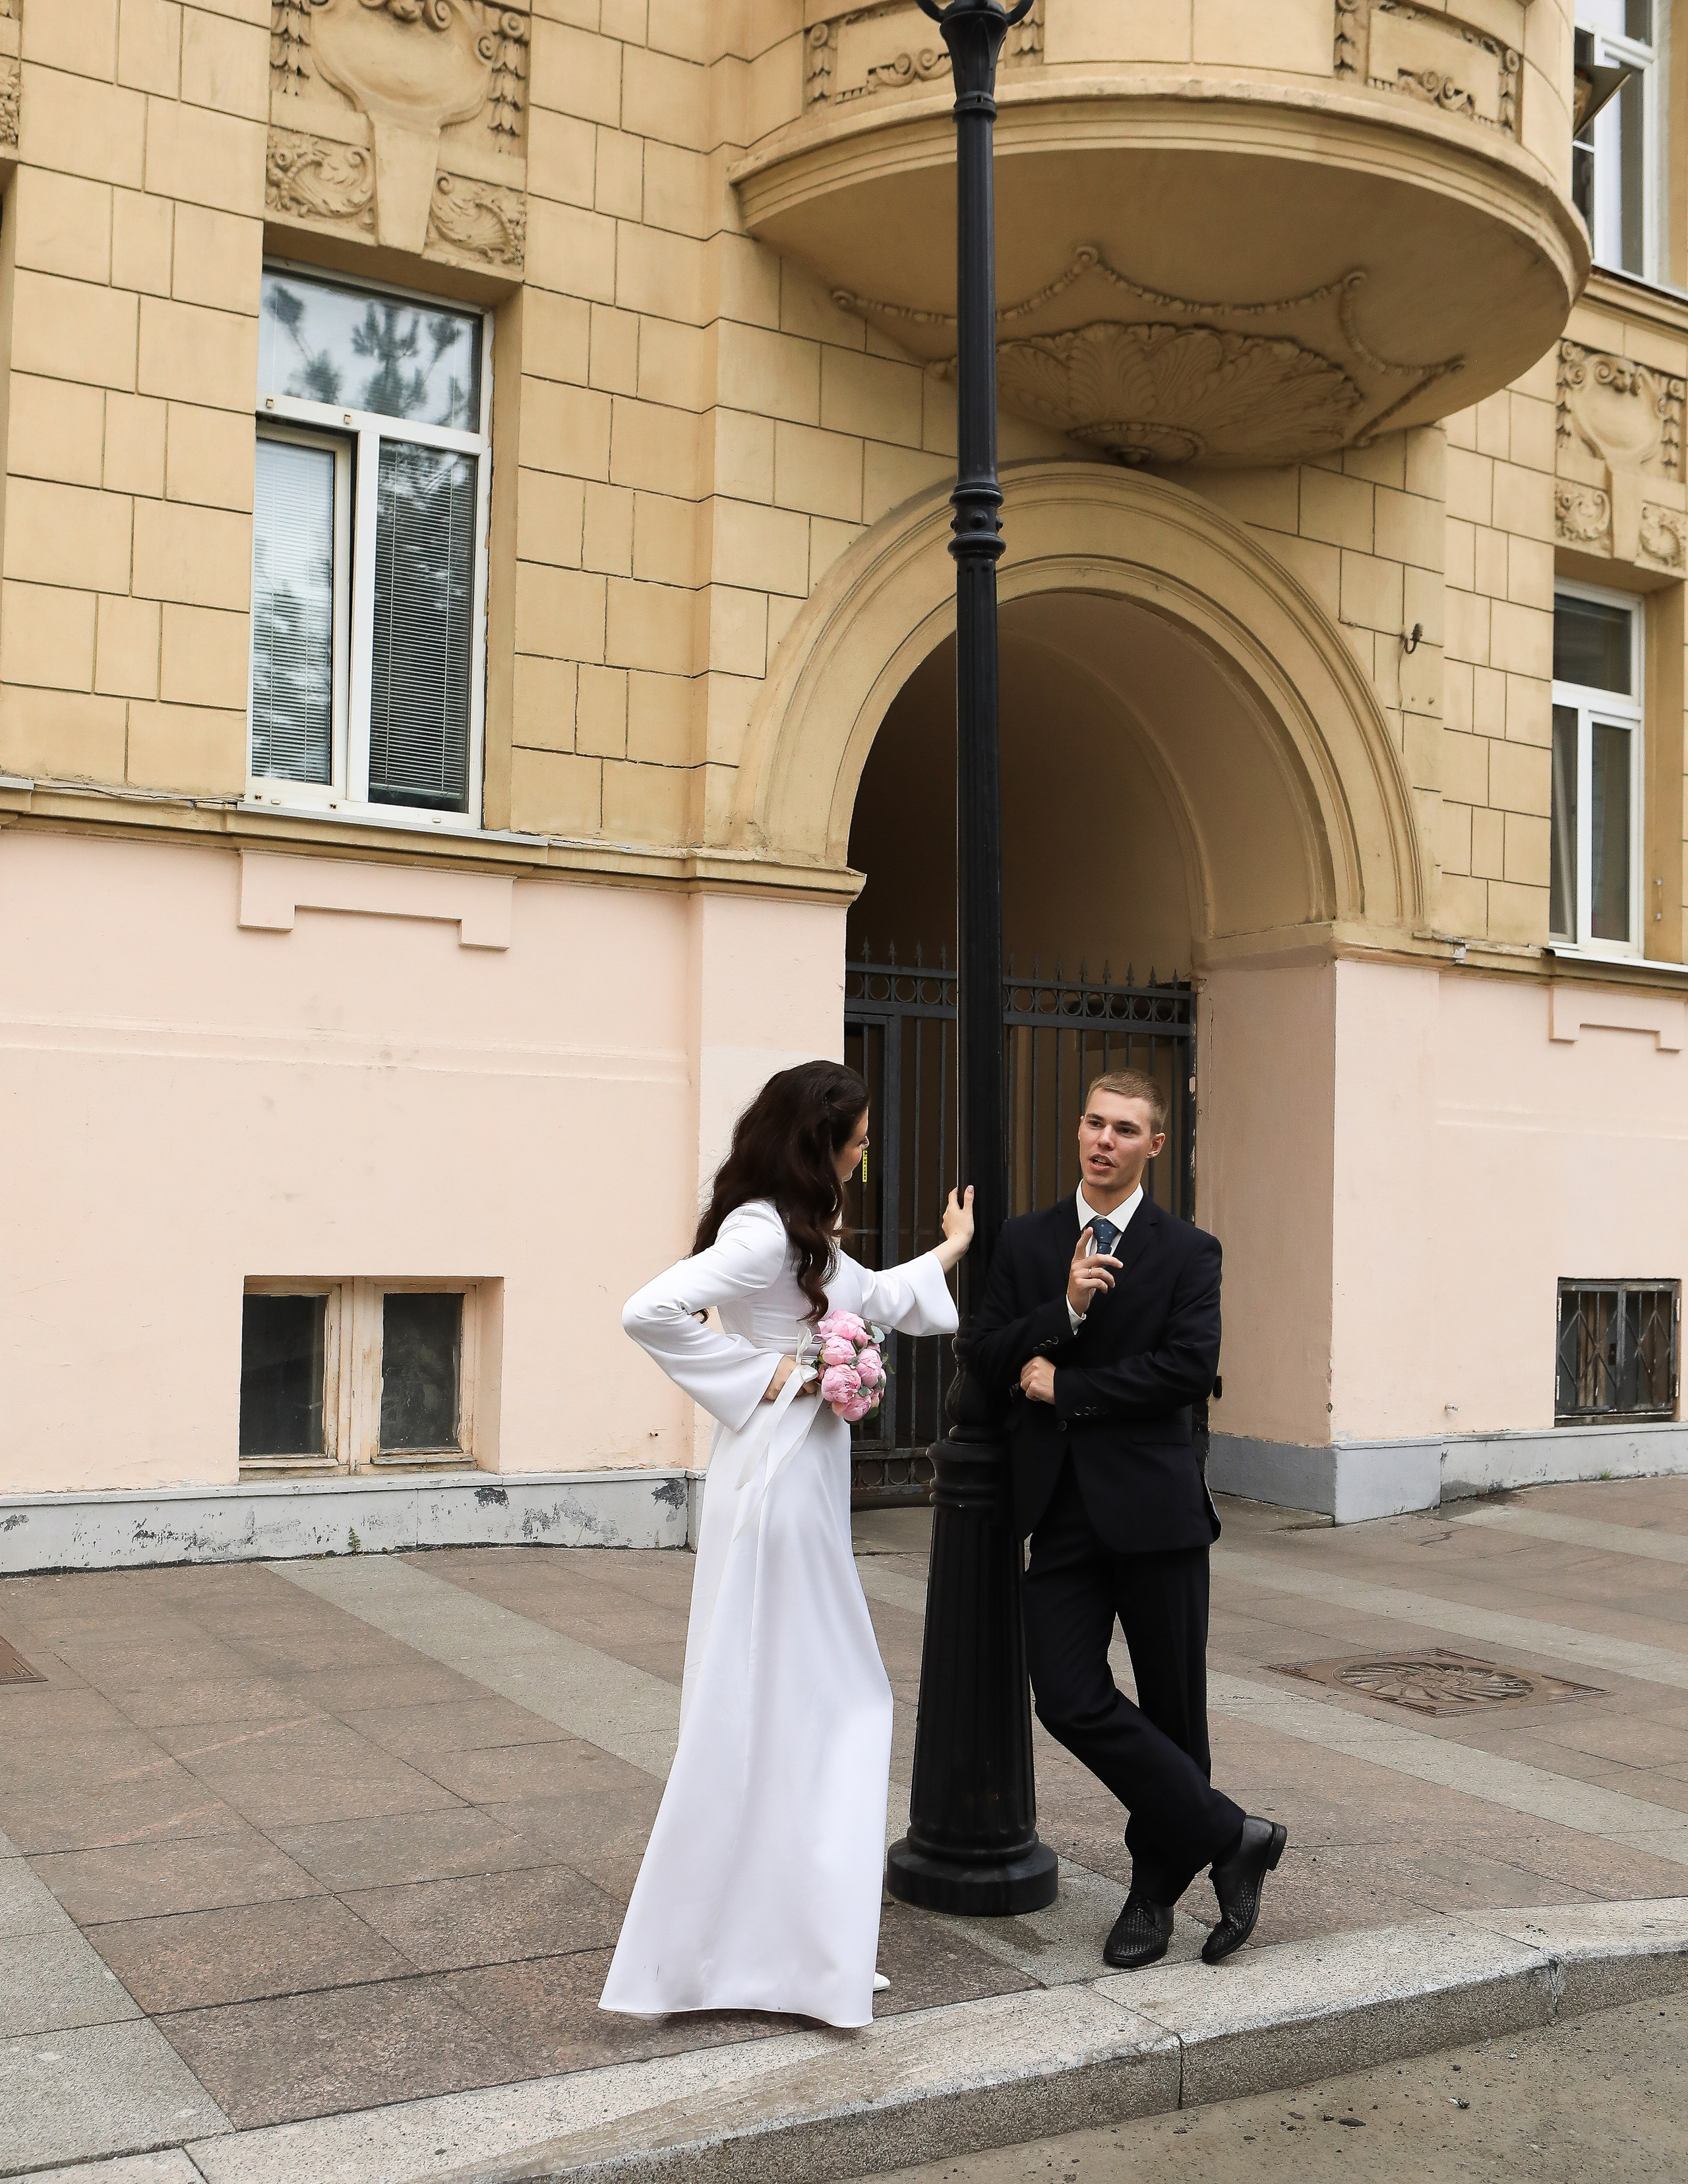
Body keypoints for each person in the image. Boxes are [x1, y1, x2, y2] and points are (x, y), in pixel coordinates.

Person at [600, 1059, 973, 2030]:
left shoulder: (805, 1232)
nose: (864, 1146)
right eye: (855, 1132)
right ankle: (775, 1940)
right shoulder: (764, 1230)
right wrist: (771, 1375)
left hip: (798, 1477)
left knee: (801, 1696)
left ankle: (802, 1940)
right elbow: (649, 1308)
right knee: (819, 1691)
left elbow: (879, 1297)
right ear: (820, 1137)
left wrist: (950, 1249)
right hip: (772, 1478)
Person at [971, 1069, 1286, 1970]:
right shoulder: (1029, 1240)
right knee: (1066, 1695)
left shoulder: (1190, 1251)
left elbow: (1187, 1369)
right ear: (1079, 1131)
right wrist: (1062, 1311)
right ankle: (1236, 1836)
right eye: (1093, 1122)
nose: (1103, 1139)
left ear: (1155, 1144)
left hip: (1157, 1516)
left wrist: (1069, 1385)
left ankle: (1152, 1895)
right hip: (1060, 1516)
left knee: (1174, 1713)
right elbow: (985, 1352)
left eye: (1125, 1128)